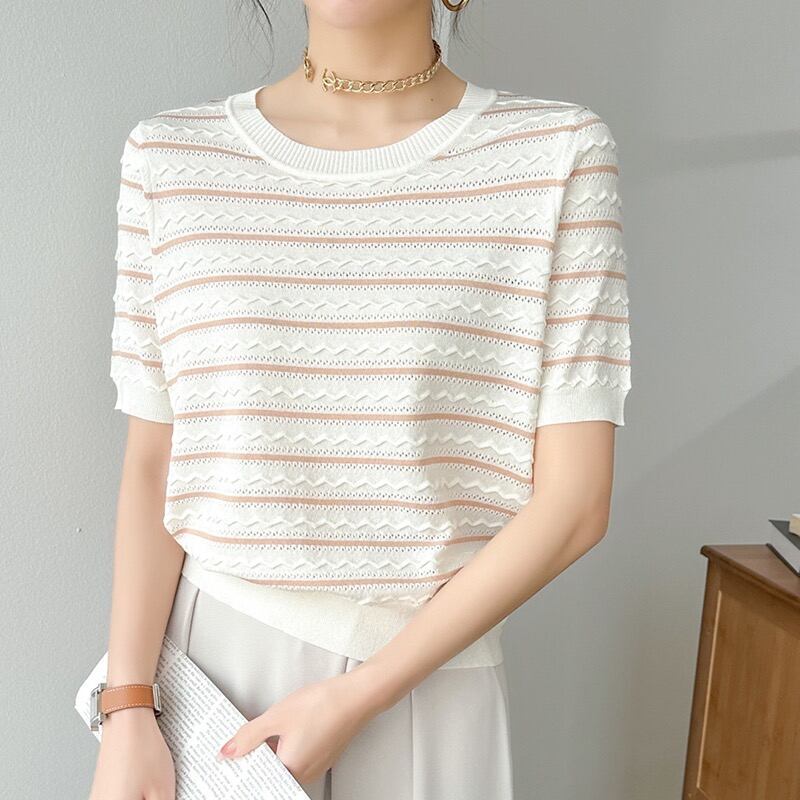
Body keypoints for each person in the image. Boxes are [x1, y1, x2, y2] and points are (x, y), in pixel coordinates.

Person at [88, 1, 632, 797]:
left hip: (430, 678)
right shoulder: (171, 157)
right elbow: (153, 461)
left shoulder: (557, 153)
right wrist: (128, 704)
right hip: (214, 683)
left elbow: (576, 504)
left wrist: (364, 692)